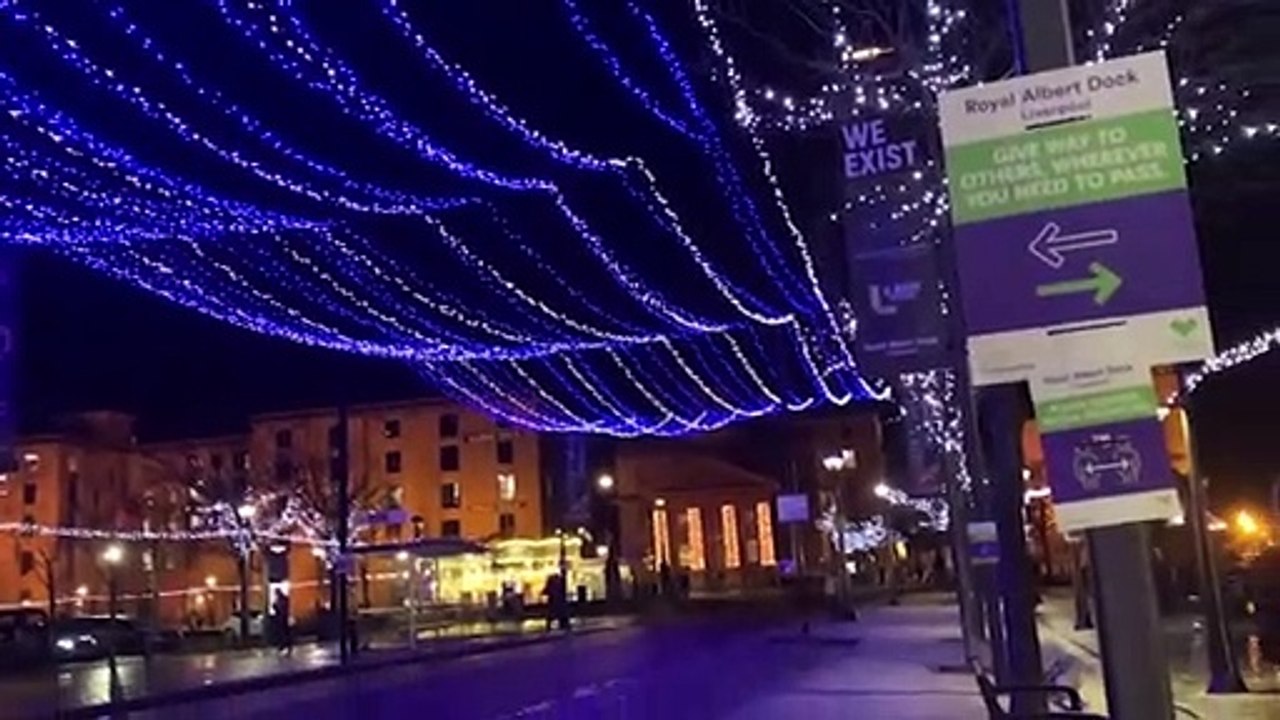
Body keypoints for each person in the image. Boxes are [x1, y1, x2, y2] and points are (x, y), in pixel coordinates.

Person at [272, 589, 293, 655]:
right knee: (285, 633)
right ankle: (285, 646)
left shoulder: (281, 600)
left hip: (282, 619)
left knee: (283, 633)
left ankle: (284, 646)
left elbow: (280, 609)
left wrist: (275, 606)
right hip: (283, 619)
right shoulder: (284, 599)